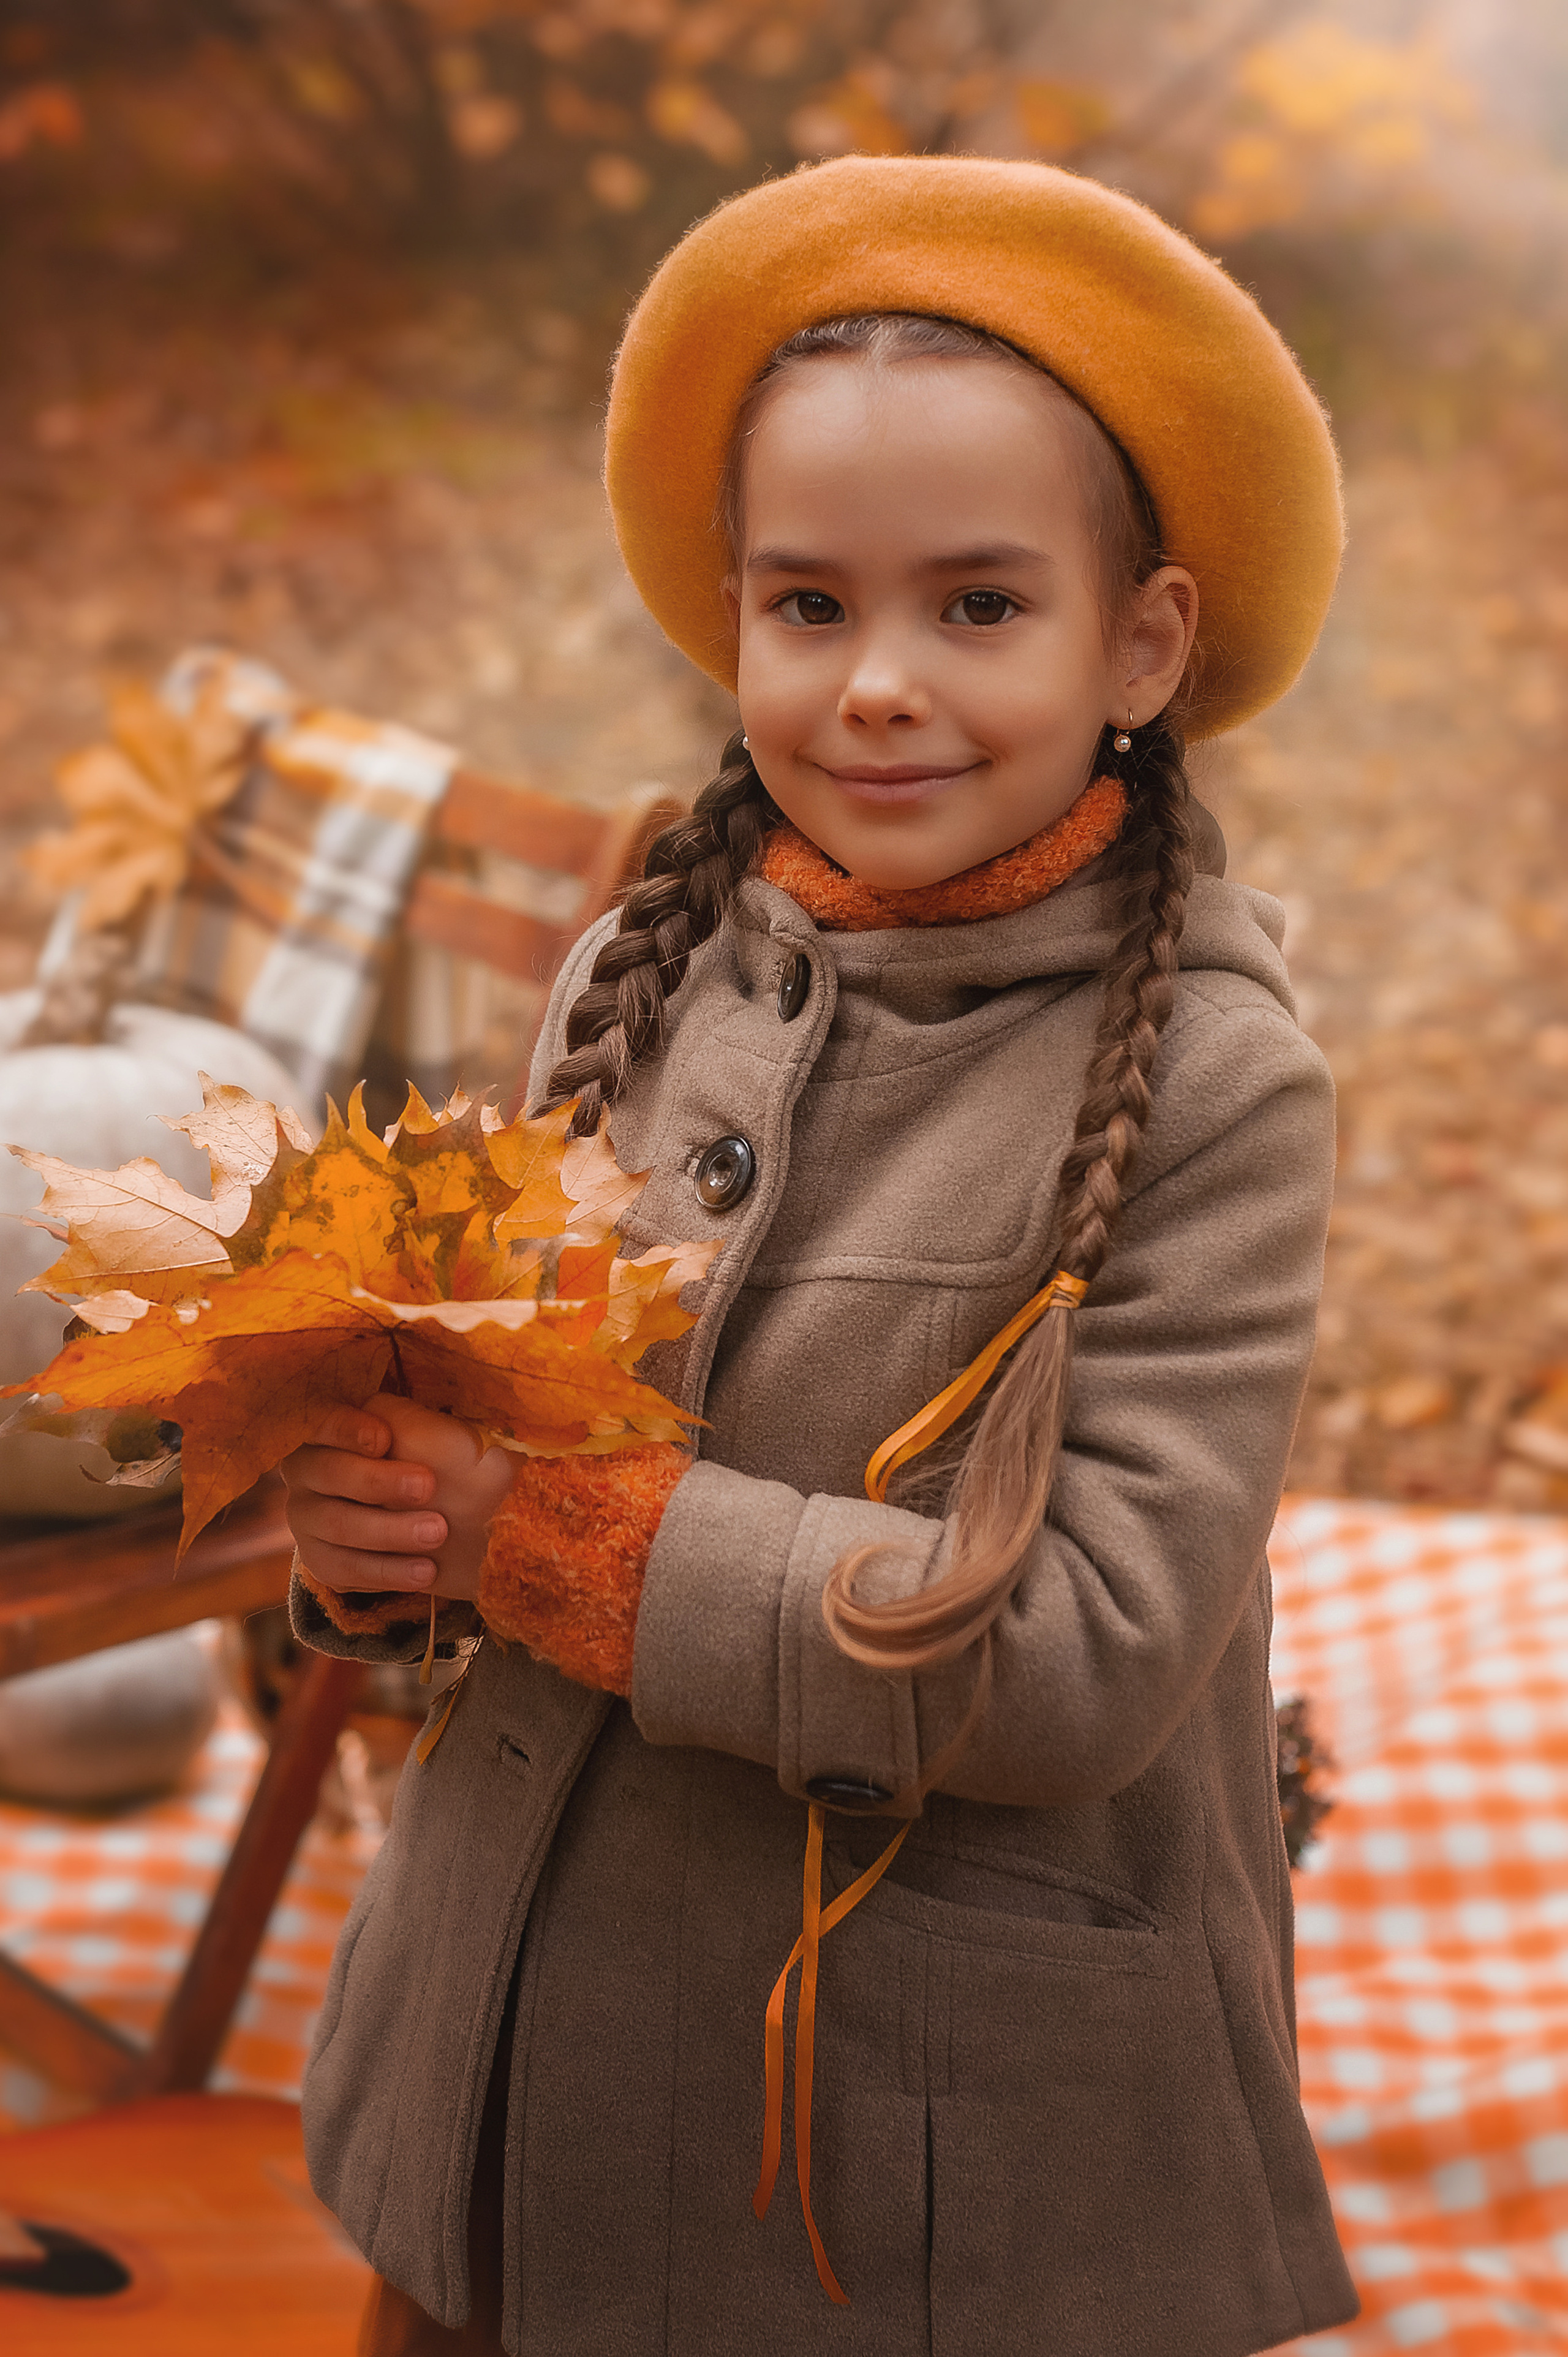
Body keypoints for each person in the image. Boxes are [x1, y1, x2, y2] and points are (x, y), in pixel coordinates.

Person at [282, 156, 1359, 2357]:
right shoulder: (639, 970)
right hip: (510, 2072)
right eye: (809, 606)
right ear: (734, 610)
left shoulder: (1218, 1090)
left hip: (898, 2171)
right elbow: (491, 1428)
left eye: (978, 607)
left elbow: (1075, 1650)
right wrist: (390, 1538)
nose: (878, 686)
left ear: (1140, 638)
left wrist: (549, 1537)